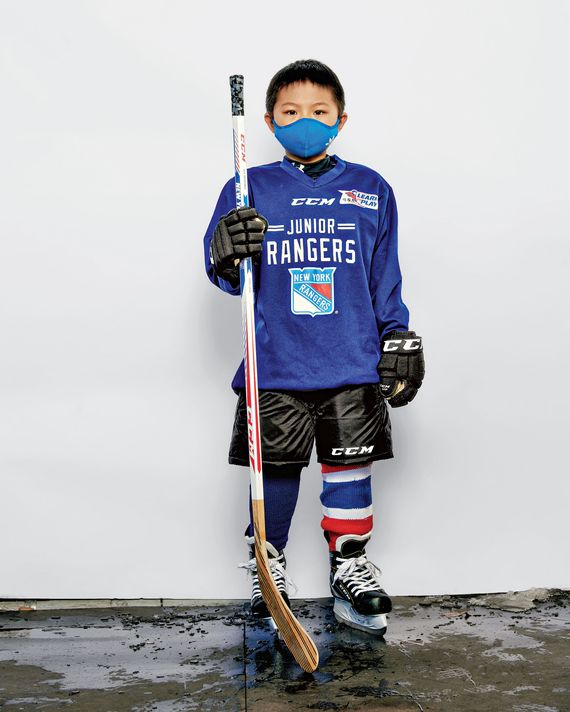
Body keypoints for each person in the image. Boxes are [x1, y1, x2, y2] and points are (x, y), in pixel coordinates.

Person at [203, 59, 425, 636]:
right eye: (291, 112)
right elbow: (227, 275)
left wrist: (397, 334)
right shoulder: (247, 187)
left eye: (319, 112)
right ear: (271, 122)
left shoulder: (371, 189)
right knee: (274, 469)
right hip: (276, 363)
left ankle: (349, 565)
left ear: (341, 119)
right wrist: (226, 249)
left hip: (350, 360)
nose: (306, 121)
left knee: (349, 466)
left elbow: (384, 274)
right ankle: (268, 569)